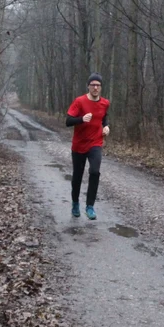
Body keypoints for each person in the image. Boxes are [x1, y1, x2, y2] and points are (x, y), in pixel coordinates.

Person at [65, 73, 110, 220]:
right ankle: (75, 203)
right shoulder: (79, 101)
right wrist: (81, 119)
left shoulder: (105, 103)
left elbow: (104, 118)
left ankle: (90, 206)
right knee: (77, 176)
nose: (95, 87)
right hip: (79, 145)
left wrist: (106, 127)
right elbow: (68, 121)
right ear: (89, 86)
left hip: (95, 143)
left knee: (95, 172)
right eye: (93, 85)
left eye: (98, 85)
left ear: (101, 87)